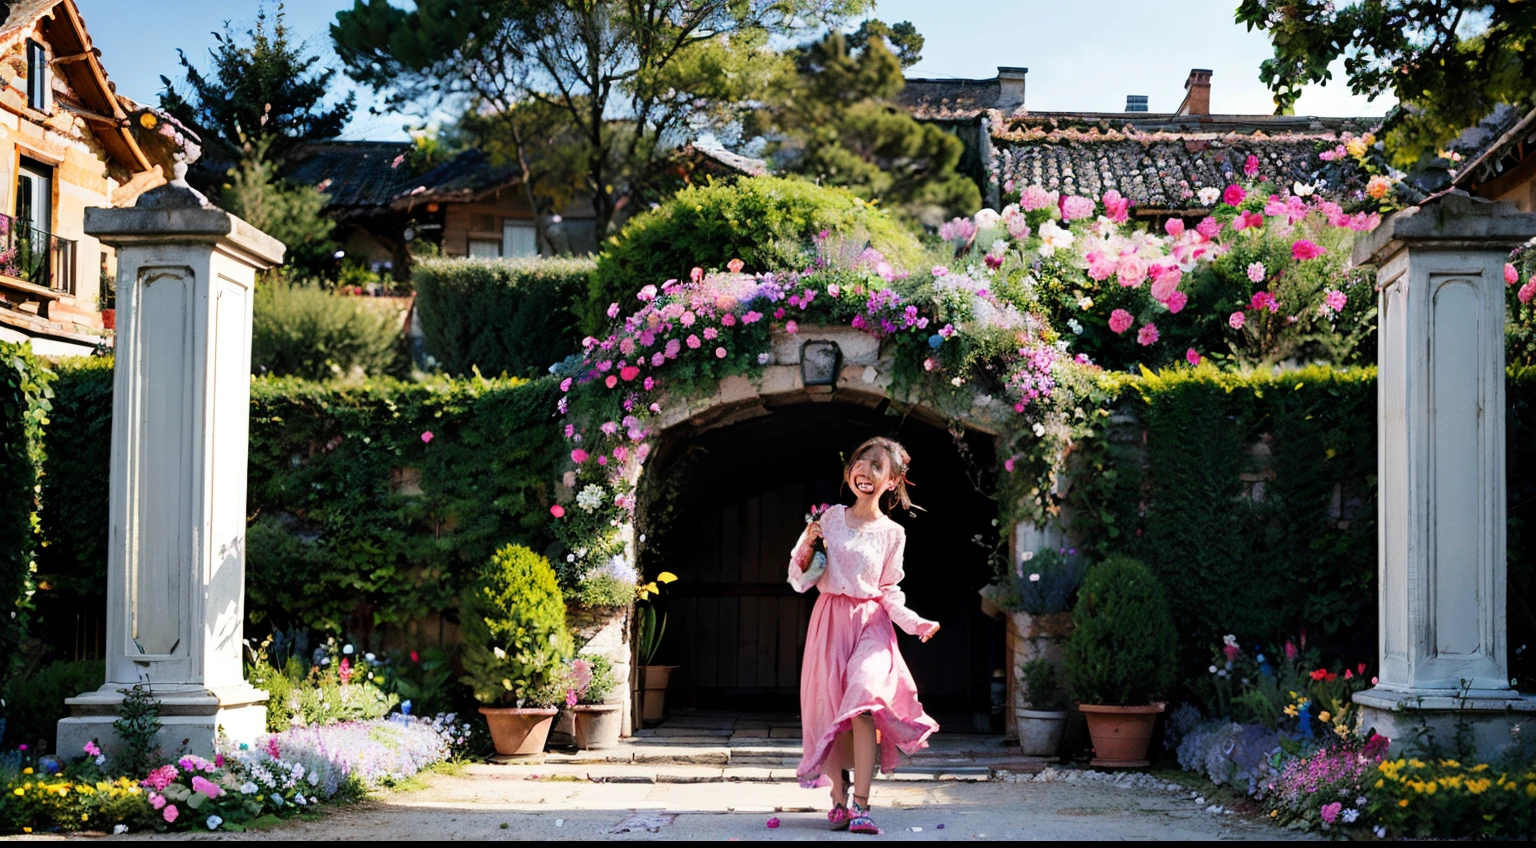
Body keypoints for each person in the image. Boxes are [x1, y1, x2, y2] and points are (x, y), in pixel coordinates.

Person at [787, 436, 941, 834]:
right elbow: (800, 577)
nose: (866, 471)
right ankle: (838, 799)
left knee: (866, 701)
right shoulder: (829, 519)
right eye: (861, 462)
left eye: (877, 466)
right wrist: (808, 543)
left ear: (892, 481)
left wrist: (914, 622)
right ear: (849, 471)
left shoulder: (893, 534)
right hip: (830, 621)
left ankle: (863, 804)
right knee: (831, 711)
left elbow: (890, 590)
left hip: (873, 624)